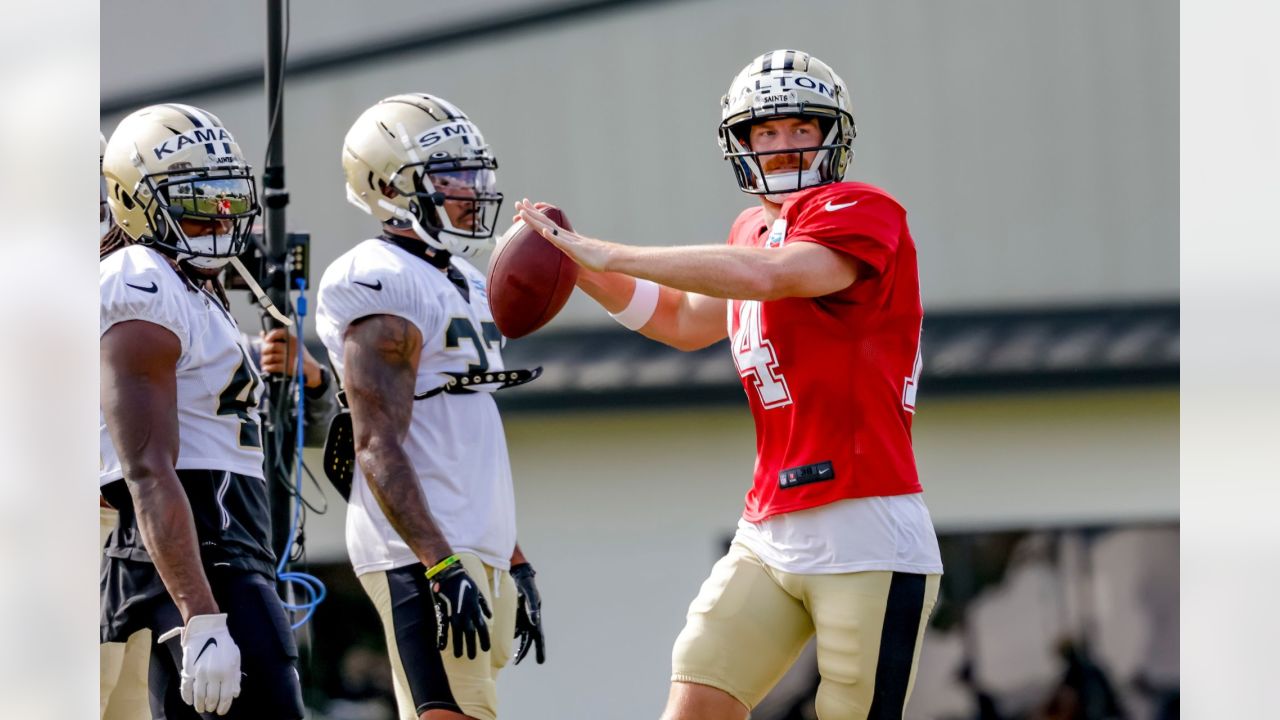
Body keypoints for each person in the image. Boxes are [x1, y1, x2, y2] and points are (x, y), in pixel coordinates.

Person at [514, 49, 943, 720]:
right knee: (697, 702)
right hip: (769, 528)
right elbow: (682, 320)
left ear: (832, 133)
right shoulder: (751, 230)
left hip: (868, 524)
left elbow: (775, 276)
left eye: (797, 128)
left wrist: (614, 252)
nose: (778, 147)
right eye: (762, 133)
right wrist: (579, 265)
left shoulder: (863, 208)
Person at [316, 93, 546, 720]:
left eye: (474, 172)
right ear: (388, 186)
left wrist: (513, 553)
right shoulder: (377, 277)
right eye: (450, 174)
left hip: (477, 533)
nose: (472, 190)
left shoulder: (466, 278)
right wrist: (438, 562)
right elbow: (375, 441)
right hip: (422, 546)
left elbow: (465, 429)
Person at [100, 103, 305, 719]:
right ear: (135, 201)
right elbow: (146, 469)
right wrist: (201, 613)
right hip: (203, 557)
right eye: (194, 197)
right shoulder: (141, 278)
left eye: (224, 195)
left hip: (228, 549)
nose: (218, 214)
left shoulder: (193, 287)